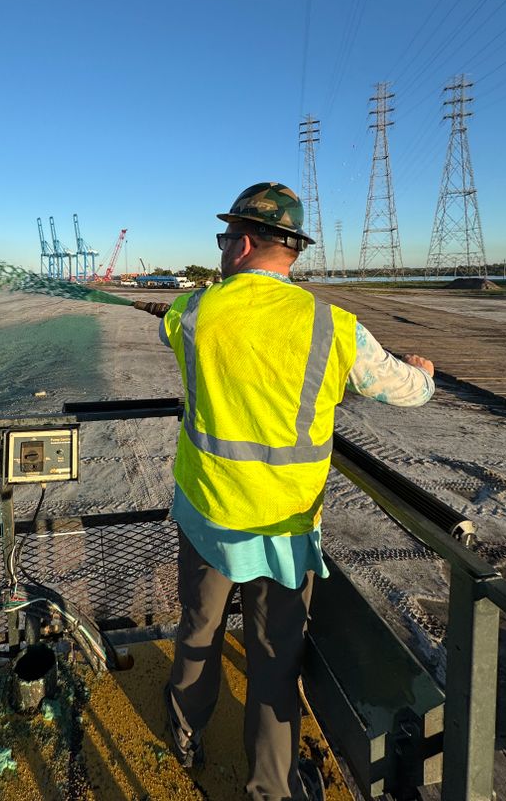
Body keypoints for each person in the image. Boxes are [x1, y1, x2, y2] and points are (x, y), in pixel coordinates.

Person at [156, 182, 435, 801]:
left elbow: (170, 330)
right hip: (287, 531)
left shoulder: (195, 314)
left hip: (210, 520)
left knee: (198, 633)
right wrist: (422, 372)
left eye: (225, 238)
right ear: (292, 250)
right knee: (274, 665)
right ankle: (269, 789)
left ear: (245, 242)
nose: (223, 247)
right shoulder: (334, 327)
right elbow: (409, 393)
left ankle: (184, 731)